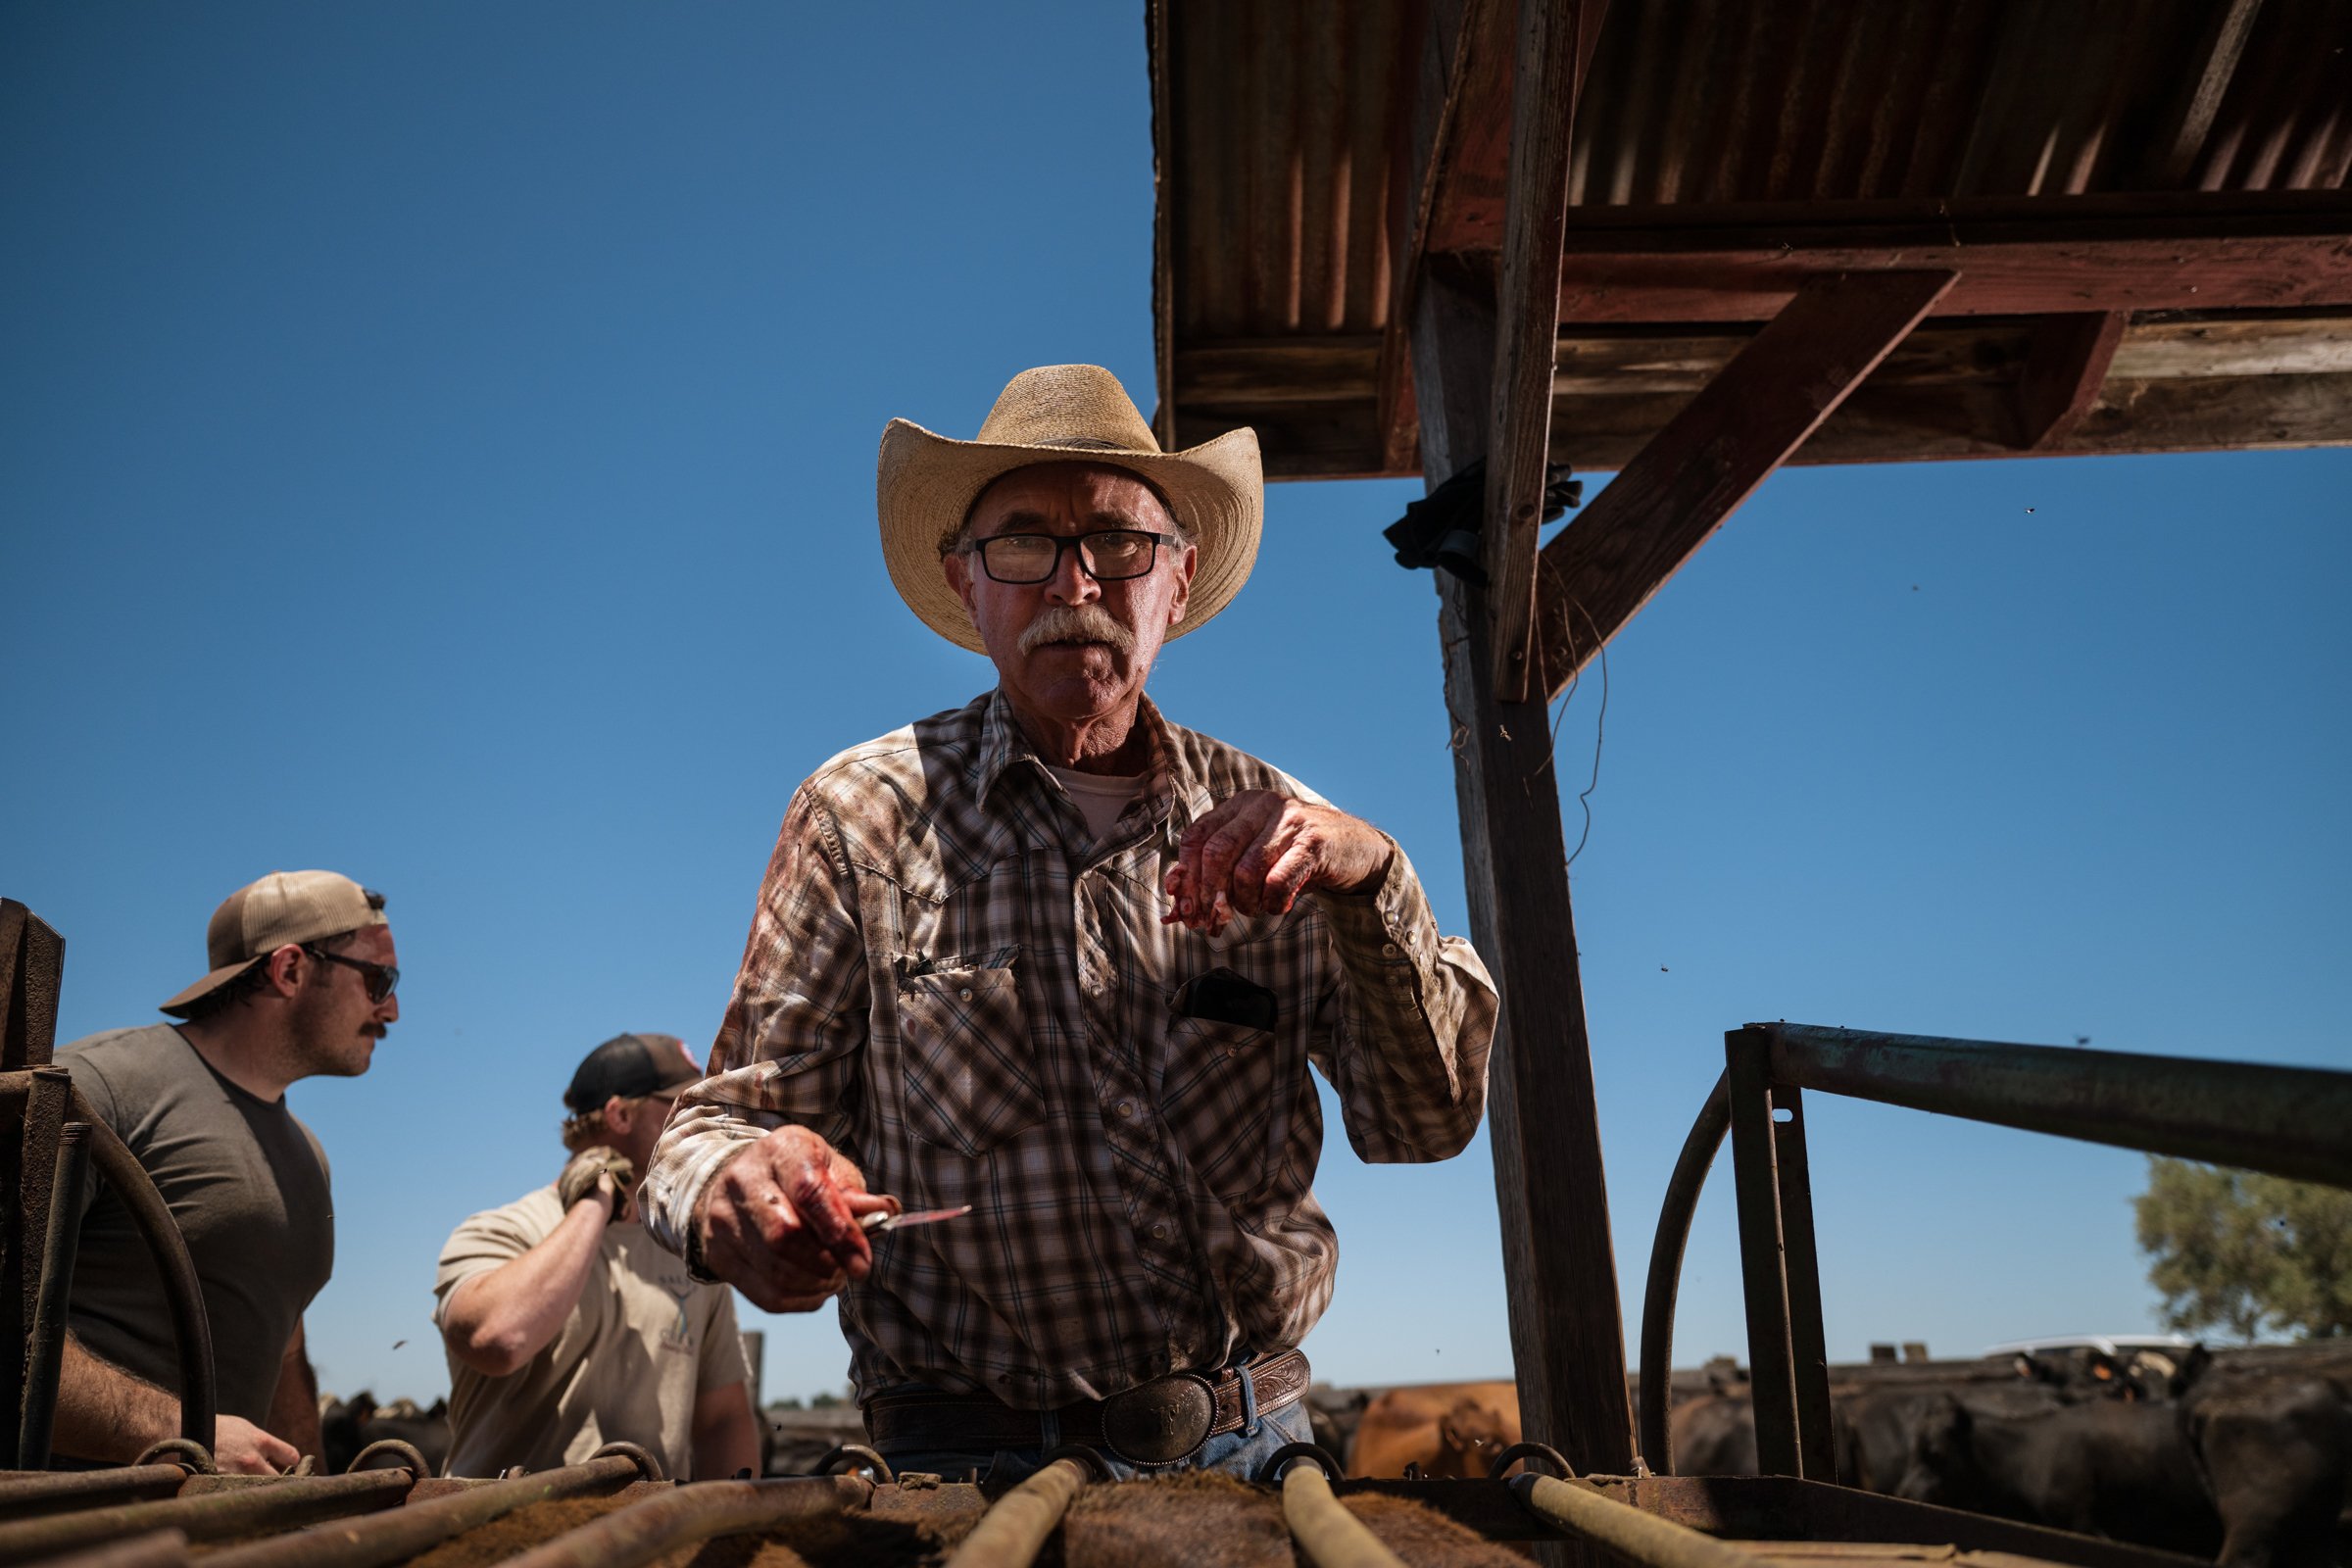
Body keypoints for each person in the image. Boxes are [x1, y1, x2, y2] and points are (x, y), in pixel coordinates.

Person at [641, 365, 1498, 1480]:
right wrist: (732, 1191)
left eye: (1117, 542)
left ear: (1178, 580)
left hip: (1252, 1446)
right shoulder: (862, 815)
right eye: (1024, 544)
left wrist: (1378, 875)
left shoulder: (1288, 831)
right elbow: (715, 1128)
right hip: (966, 1468)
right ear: (968, 584)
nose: (1073, 581)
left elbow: (1423, 1121)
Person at [56, 869, 399, 1473]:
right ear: (290, 969)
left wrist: (309, 1508)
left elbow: (285, 1353)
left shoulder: (308, 1156)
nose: (391, 1009)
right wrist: (186, 1433)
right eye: (378, 980)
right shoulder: (93, 1088)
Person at [435, 1033, 759, 1480]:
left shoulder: (688, 1254)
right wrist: (596, 1198)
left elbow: (723, 1419)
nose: (700, 1123)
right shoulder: (504, 1230)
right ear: (619, 1115)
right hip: (498, 1534)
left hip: (642, 1540)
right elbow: (498, 1341)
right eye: (681, 1105)